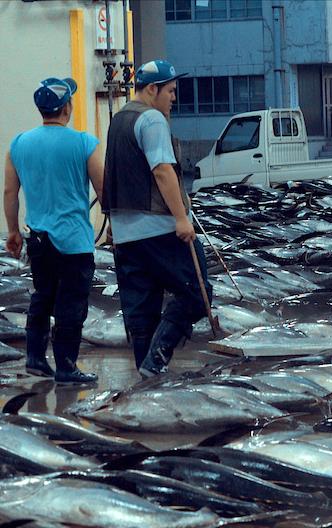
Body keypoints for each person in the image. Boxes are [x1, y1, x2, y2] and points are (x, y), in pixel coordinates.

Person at [101, 59, 211, 378]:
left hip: (126, 235)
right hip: (158, 230)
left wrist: (110, 224)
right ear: (153, 89)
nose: (173, 98)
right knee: (197, 293)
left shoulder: (119, 118)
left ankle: (147, 379)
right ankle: (157, 359)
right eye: (171, 91)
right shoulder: (152, 119)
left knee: (142, 312)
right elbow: (162, 171)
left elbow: (115, 175)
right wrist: (181, 219)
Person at [3, 77, 104, 384]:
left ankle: (35, 358)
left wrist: (13, 233)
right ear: (67, 107)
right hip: (74, 241)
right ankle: (66, 366)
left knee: (42, 297)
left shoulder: (19, 143)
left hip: (38, 238)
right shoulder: (85, 143)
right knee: (71, 304)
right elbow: (105, 189)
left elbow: (9, 192)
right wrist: (112, 222)